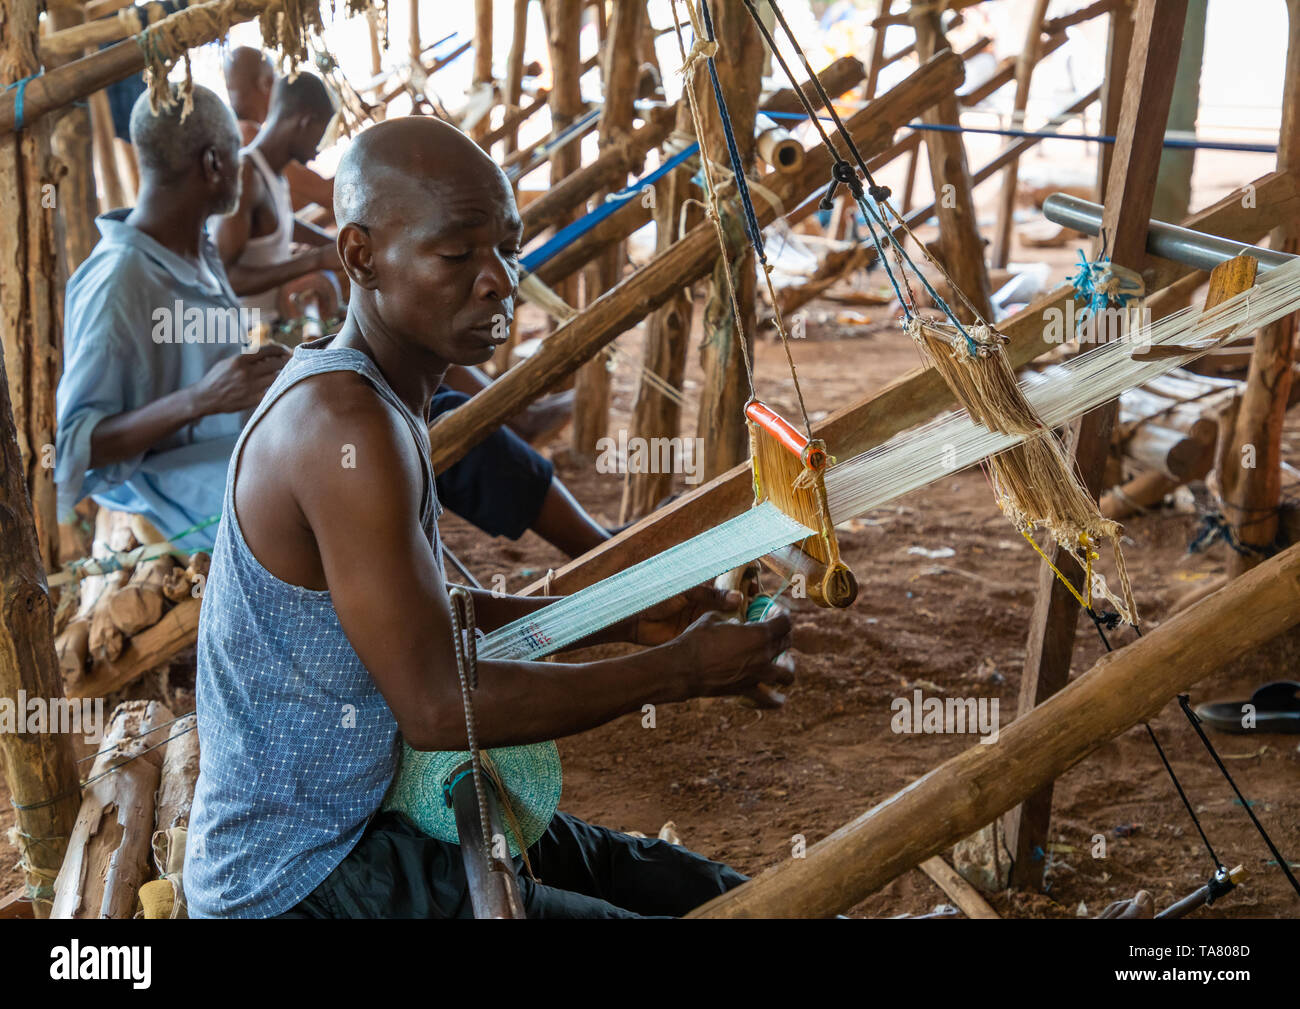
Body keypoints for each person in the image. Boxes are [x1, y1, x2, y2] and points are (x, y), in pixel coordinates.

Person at [183, 116, 794, 919]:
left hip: (360, 827)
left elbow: (424, 621)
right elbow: (438, 706)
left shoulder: (375, 399)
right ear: (360, 255)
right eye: (457, 254)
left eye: (505, 247)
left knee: (669, 878)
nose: (499, 278)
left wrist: (616, 619)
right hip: (301, 881)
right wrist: (682, 670)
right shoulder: (345, 429)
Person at [54, 86, 291, 552]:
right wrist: (199, 400)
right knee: (324, 497)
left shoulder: (197, 250)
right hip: (170, 492)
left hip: (233, 462)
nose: (241, 169)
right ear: (213, 163)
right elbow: (72, 450)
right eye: (235, 155)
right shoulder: (119, 283)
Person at [212, 71, 342, 323]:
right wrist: (315, 260)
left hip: (274, 324)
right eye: (322, 134)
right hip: (244, 339)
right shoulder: (244, 175)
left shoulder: (275, 176)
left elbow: (281, 224)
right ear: (305, 121)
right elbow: (224, 277)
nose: (321, 147)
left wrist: (335, 246)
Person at [223, 46, 335, 220]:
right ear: (265, 84)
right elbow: (327, 194)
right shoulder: (249, 138)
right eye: (276, 78)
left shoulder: (231, 133)